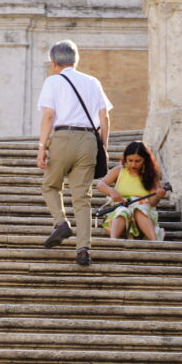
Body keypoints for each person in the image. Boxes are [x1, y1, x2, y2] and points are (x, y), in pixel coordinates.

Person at [37, 39, 112, 266]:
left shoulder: (53, 81)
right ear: (75, 60)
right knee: (82, 199)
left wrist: (42, 146)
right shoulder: (92, 82)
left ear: (53, 62)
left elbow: (49, 115)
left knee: (50, 185)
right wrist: (103, 147)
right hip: (89, 139)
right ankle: (83, 250)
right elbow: (104, 117)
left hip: (62, 138)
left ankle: (61, 223)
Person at [96, 141, 166, 241]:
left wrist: (158, 196)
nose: (133, 164)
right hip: (122, 207)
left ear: (145, 160)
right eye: (130, 160)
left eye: (138, 161)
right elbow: (100, 185)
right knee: (122, 210)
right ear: (125, 159)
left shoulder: (151, 176)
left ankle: (154, 242)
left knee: (138, 209)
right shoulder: (119, 170)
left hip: (144, 210)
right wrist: (111, 191)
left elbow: (152, 203)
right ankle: (113, 240)